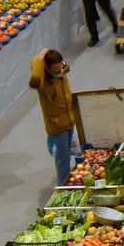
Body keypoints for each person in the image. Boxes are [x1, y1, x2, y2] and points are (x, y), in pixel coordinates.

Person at [30, 49, 77, 185]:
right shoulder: (43, 83)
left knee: (67, 152)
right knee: (63, 157)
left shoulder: (61, 74)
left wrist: (60, 66)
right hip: (56, 124)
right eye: (55, 67)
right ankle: (63, 185)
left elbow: (63, 67)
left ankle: (67, 179)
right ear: (47, 67)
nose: (59, 69)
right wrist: (42, 57)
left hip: (69, 119)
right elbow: (34, 68)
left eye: (59, 65)